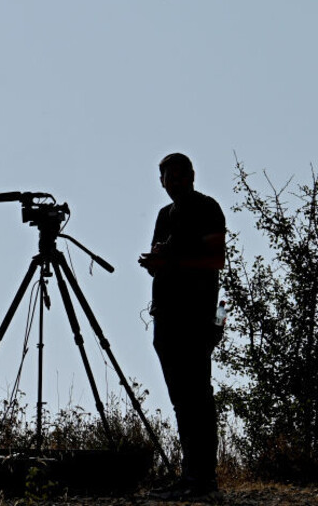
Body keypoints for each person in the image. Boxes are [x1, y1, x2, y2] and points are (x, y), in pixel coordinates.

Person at [138, 153, 226, 501]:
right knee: (182, 400)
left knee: (198, 397)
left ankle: (203, 479)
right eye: (167, 178)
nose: (173, 183)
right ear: (161, 182)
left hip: (197, 316)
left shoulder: (207, 208)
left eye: (178, 176)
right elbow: (162, 262)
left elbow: (215, 260)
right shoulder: (164, 215)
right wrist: (156, 263)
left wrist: (170, 261)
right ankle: (191, 476)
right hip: (167, 315)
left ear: (191, 175)